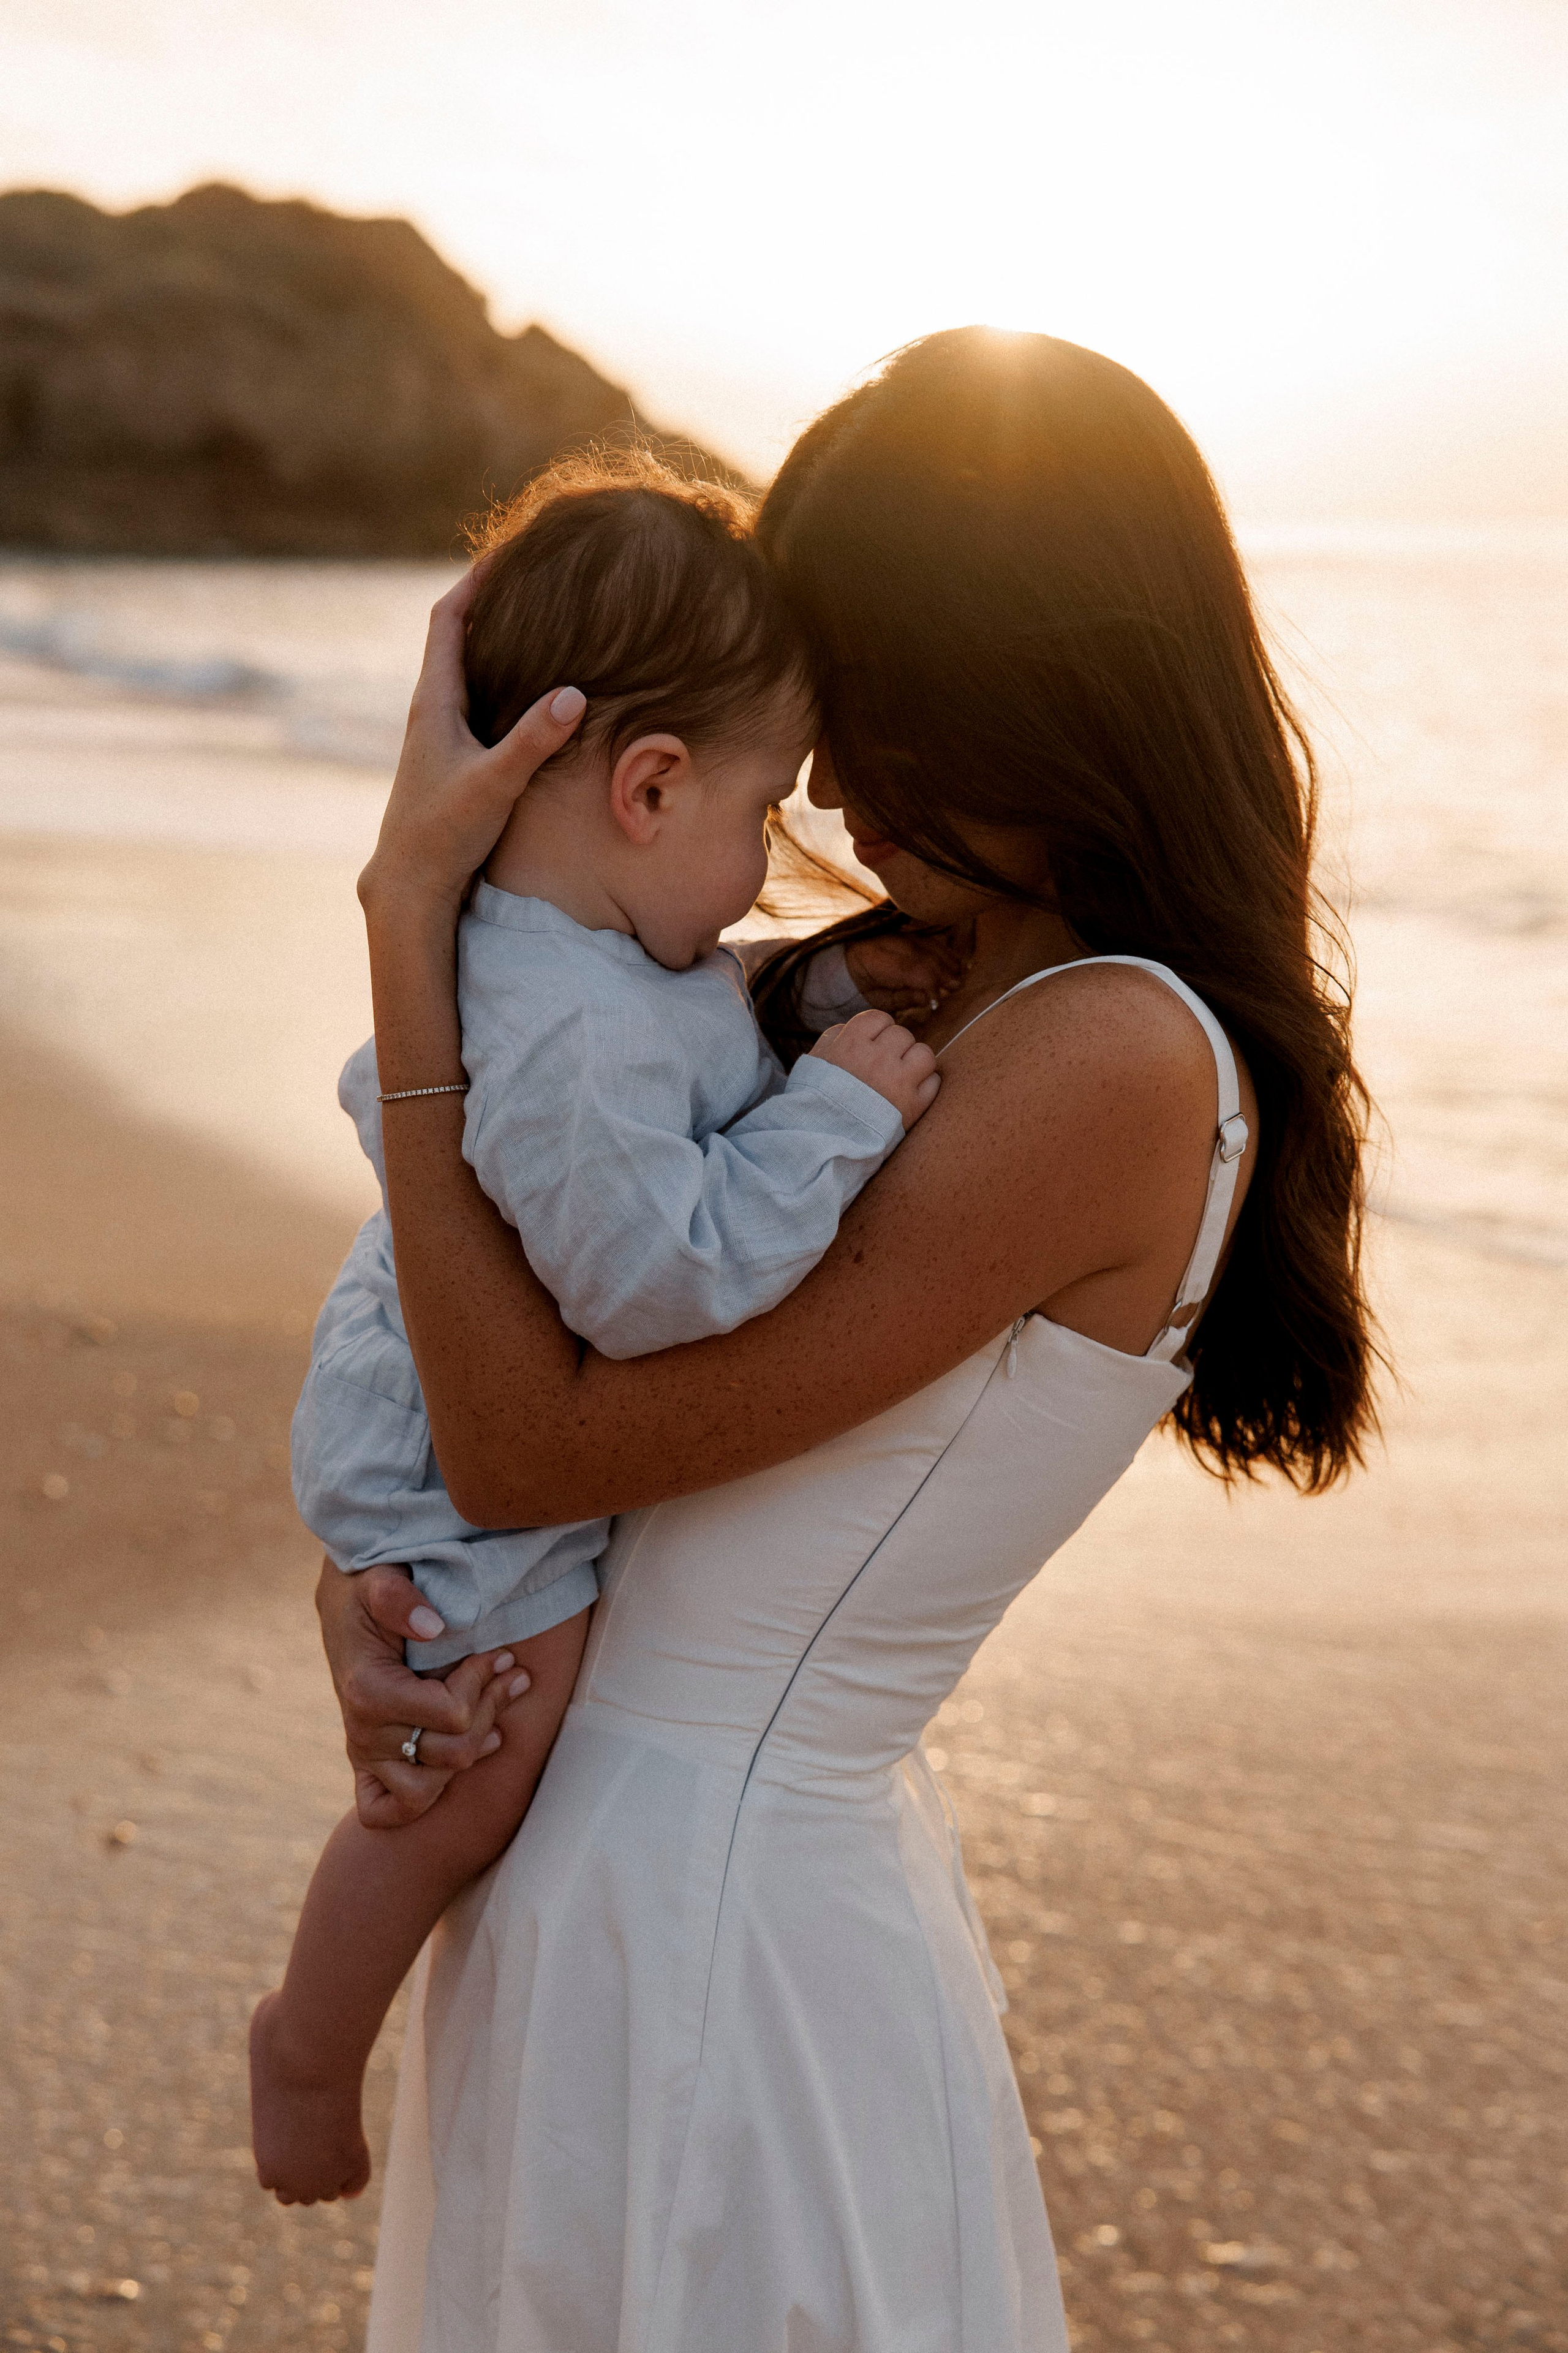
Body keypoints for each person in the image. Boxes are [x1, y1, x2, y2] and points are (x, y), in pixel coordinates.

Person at [314, 329, 1378, 2353]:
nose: (834, 779)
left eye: (880, 697)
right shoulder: (919, 993)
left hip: (726, 1930)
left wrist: (409, 920)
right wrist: (385, 1593)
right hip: (614, 1871)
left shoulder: (1115, 1058)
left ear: (1033, 677)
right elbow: (563, 1428)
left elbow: (536, 1440)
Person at [251, 456, 954, 2206]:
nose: (768, 868)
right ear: (647, 786)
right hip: (436, 1443)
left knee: (489, 1734)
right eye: (760, 814)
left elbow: (699, 1026)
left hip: (417, 1365)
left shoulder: (586, 954)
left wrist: (835, 993)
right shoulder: (567, 1035)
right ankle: (308, 2038)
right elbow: (656, 1284)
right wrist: (838, 1120)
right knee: (475, 1767)